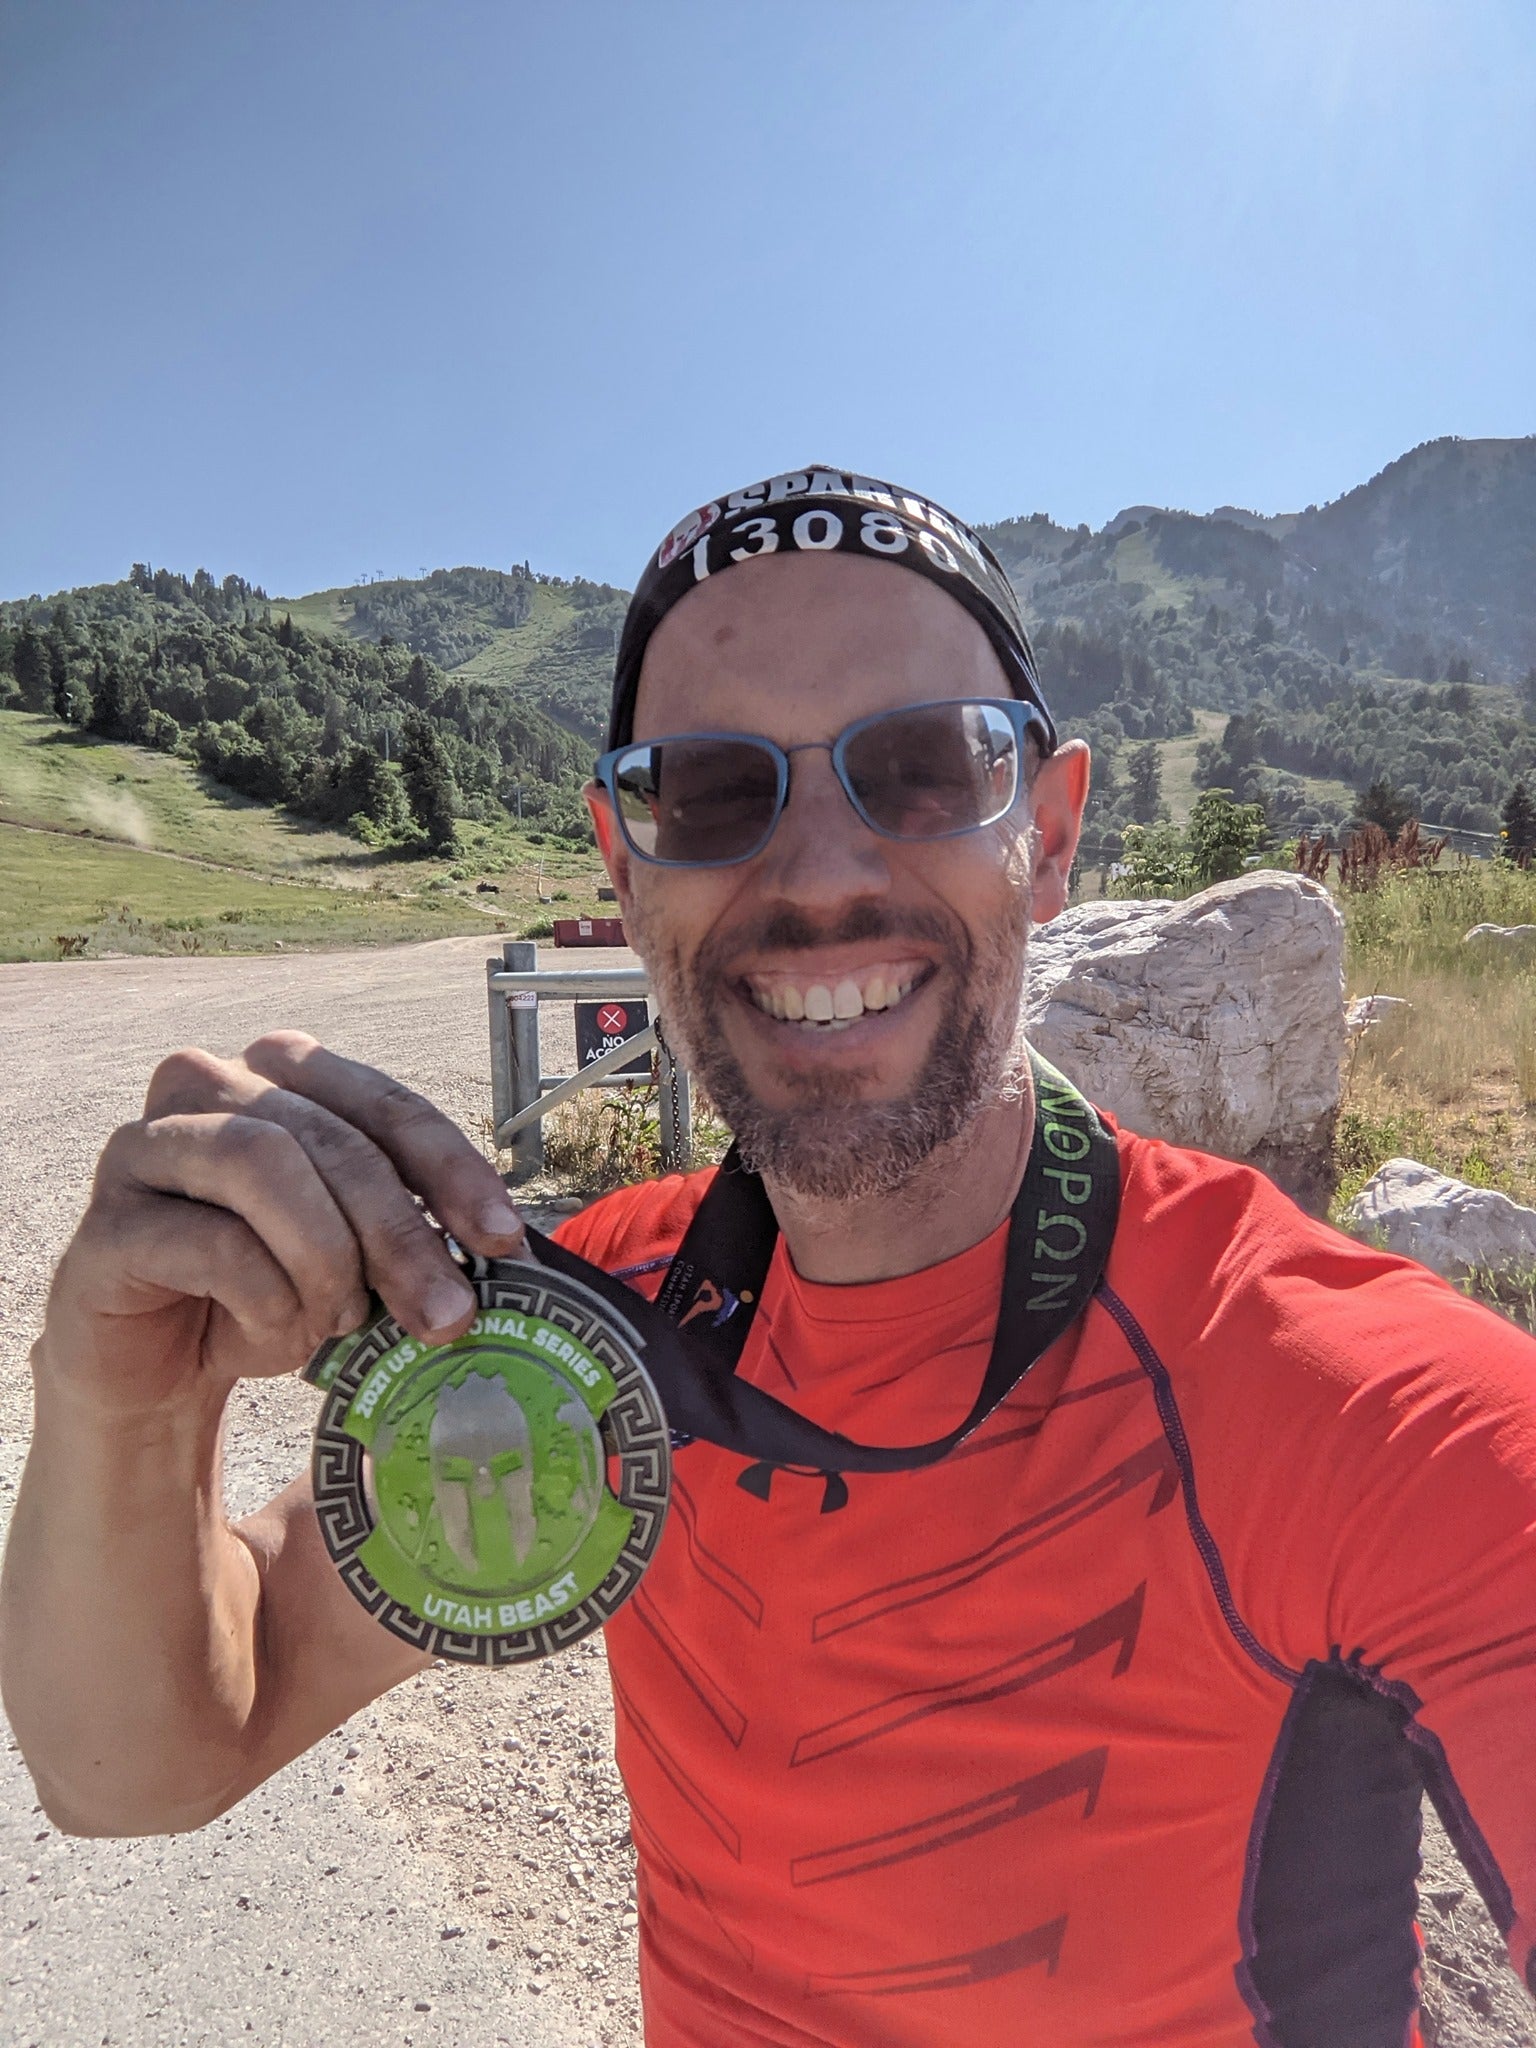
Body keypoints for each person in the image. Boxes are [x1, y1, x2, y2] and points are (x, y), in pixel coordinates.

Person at [3, 468, 1534, 2048]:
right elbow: (143, 1761)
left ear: (1054, 832)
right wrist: (119, 1398)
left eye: (926, 769)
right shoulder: (595, 1334)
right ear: (623, 859)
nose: (815, 876)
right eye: (715, 795)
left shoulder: (1358, 1408)